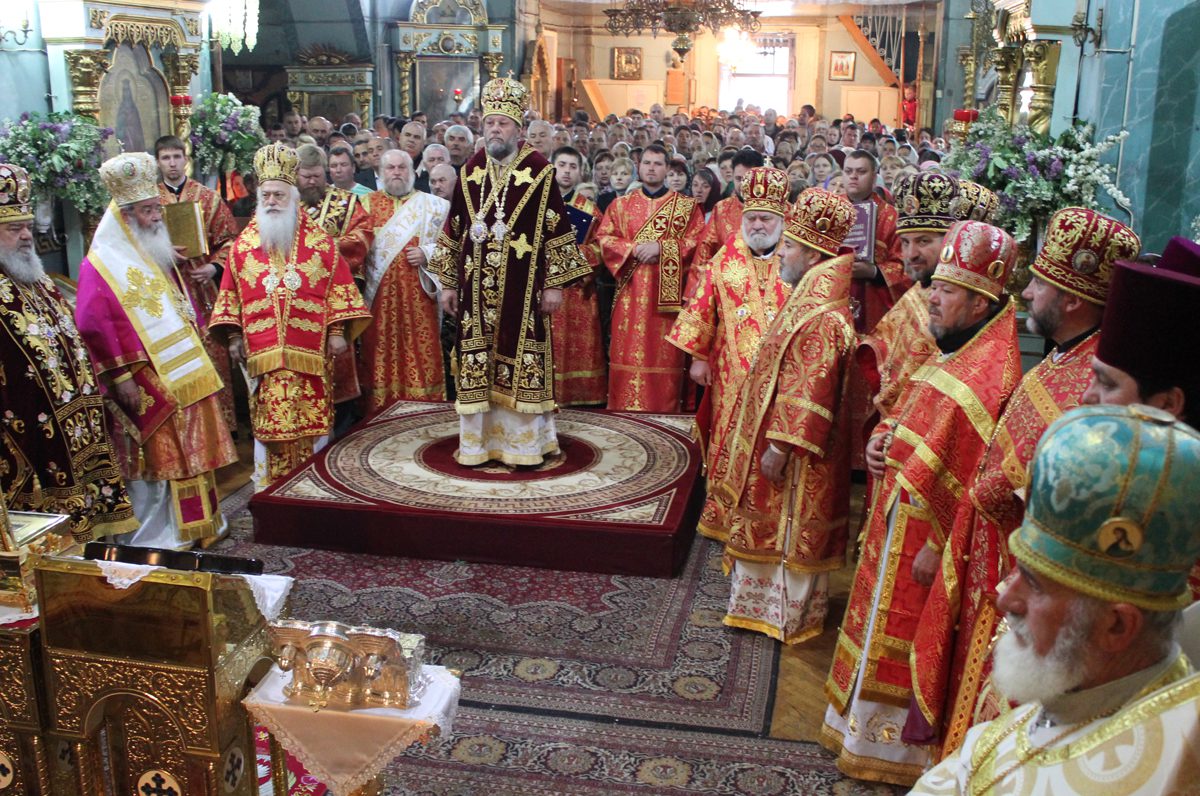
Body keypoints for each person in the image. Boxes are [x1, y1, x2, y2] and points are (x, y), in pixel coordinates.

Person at [910, 208, 1141, 758]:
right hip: (989, 553)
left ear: (1072, 300)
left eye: (1038, 284)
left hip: (1025, 571)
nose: (1026, 294)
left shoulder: (1090, 377)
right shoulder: (1062, 360)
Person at [822, 220, 1022, 786]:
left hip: (926, 537)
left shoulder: (989, 376)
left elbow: (975, 476)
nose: (932, 296)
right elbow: (915, 413)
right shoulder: (956, 349)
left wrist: (940, 543)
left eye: (947, 290)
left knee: (903, 637)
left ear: (980, 302)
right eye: (936, 286)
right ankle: (857, 732)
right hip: (898, 518)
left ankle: (892, 754)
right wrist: (884, 441)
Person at [912, 404, 1200, 795]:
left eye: (1034, 584)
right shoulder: (1076, 691)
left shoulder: (1178, 763)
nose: (1005, 599)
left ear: (1116, 626)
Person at [710, 188, 858, 642]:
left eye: (789, 246)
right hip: (779, 441)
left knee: (785, 530)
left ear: (813, 255)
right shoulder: (809, 301)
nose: (781, 254)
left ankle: (782, 615)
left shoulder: (822, 316)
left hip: (793, 455)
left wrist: (779, 446)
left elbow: (808, 391)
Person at [75, 153, 238, 547]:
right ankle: (158, 536)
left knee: (190, 449)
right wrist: (122, 376)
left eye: (156, 208)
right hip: (145, 379)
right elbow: (92, 323)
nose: (156, 217)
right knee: (159, 458)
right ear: (126, 216)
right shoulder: (101, 264)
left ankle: (199, 524)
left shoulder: (152, 251)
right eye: (148, 211)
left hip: (182, 372)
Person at [429, 77, 590, 466]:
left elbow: (556, 229)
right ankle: (478, 445)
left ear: (518, 128)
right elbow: (454, 229)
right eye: (490, 123)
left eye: (502, 123)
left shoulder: (540, 172)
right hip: (474, 291)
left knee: (521, 357)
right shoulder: (470, 171)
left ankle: (524, 446)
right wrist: (448, 284)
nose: (495, 130)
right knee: (477, 360)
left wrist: (554, 285)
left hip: (524, 289)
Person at [210, 144, 371, 490]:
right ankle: (270, 490)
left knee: (312, 423)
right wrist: (234, 337)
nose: (271, 201)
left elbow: (339, 288)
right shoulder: (242, 247)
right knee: (269, 425)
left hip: (310, 354)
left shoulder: (321, 243)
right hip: (262, 355)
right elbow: (229, 295)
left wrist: (337, 331)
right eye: (266, 195)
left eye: (279, 195)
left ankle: (313, 489)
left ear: (293, 197)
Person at [0, 164, 136, 541]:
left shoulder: (37, 279)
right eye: (14, 228)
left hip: (75, 429)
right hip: (27, 440)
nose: (26, 236)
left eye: (27, 226)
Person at [667, 167, 792, 541]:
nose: (757, 225)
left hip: (781, 379)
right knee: (728, 440)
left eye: (765, 218)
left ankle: (770, 520)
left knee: (772, 443)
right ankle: (723, 516)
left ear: (780, 220)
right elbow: (703, 305)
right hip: (729, 373)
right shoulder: (726, 258)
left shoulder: (796, 260)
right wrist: (698, 356)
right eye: (751, 218)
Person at [596, 144, 705, 412]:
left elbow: (698, 243)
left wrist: (662, 248)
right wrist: (633, 249)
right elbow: (604, 238)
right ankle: (622, 411)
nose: (651, 168)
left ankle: (664, 410)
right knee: (627, 352)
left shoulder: (686, 207)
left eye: (657, 164)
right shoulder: (620, 205)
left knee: (664, 354)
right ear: (639, 167)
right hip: (630, 295)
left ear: (667, 169)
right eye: (647, 163)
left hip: (666, 300)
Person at [154, 135, 240, 429]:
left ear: (185, 160)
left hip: (203, 288)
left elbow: (230, 240)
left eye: (176, 157)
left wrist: (213, 268)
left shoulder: (208, 198)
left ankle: (223, 425)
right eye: (166, 158)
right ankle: (185, 427)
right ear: (158, 163)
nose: (172, 163)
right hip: (167, 288)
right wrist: (161, 252)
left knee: (213, 351)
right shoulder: (150, 202)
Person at [360, 149, 450, 413]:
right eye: (391, 168)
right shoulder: (366, 205)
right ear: (381, 172)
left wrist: (427, 253)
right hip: (379, 300)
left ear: (412, 172)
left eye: (402, 167)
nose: (397, 172)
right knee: (379, 353)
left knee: (421, 352)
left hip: (420, 299)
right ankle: (379, 411)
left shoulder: (434, 206)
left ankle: (425, 410)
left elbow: (454, 247)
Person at [296, 144, 374, 424]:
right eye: (306, 177)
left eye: (317, 176)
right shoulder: (287, 205)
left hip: (334, 293)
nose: (312, 182)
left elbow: (362, 236)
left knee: (340, 356)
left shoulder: (347, 202)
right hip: (296, 297)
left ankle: (344, 422)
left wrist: (321, 249)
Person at [549, 146, 607, 407]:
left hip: (576, 292)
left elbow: (601, 247)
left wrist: (572, 254)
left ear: (580, 172)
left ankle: (579, 398)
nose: (566, 171)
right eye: (562, 165)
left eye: (572, 167)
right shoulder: (535, 203)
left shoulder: (590, 210)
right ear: (552, 168)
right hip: (540, 289)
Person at [694, 149, 765, 267]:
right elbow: (704, 253)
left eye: (748, 179)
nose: (743, 185)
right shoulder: (721, 210)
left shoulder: (781, 211)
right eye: (739, 179)